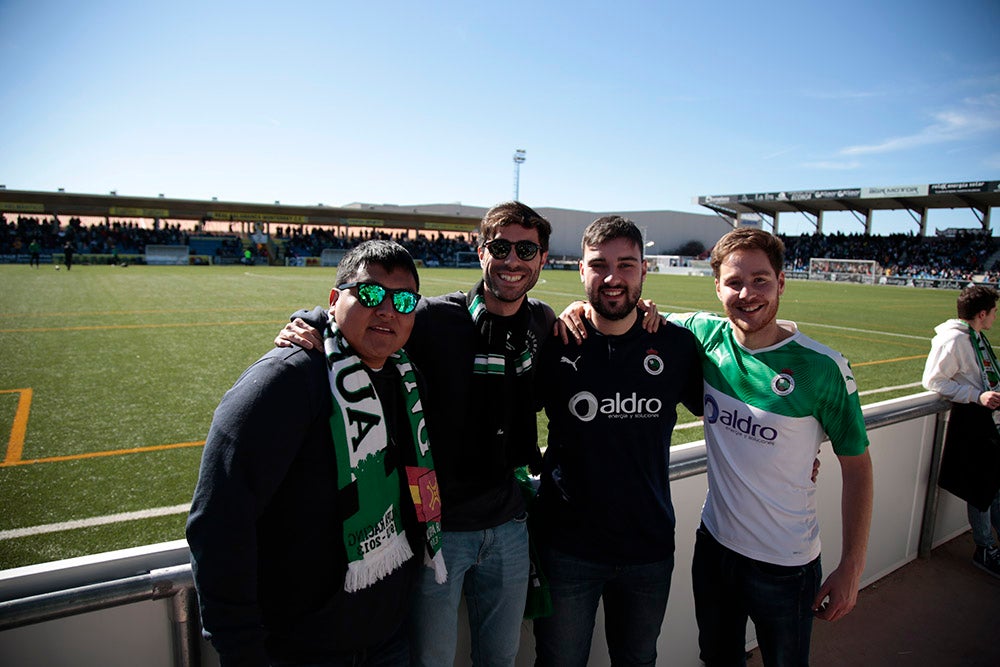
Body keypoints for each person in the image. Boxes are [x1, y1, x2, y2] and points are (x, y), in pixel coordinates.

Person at [561, 227, 873, 667]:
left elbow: (859, 467)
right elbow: (628, 310)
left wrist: (852, 567)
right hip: (715, 551)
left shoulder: (822, 368)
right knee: (718, 660)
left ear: (782, 282)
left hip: (787, 565)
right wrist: (578, 307)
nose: (747, 294)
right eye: (734, 282)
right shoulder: (702, 337)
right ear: (717, 287)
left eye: (761, 280)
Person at [276, 202, 556, 666]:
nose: (513, 260)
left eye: (526, 249)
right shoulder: (434, 318)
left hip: (509, 524)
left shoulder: (544, 323)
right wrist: (308, 319)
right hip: (436, 532)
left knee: (501, 660)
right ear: (481, 251)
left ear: (542, 259)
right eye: (501, 247)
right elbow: (365, 315)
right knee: (432, 661)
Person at [186, 240, 446, 666]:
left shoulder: (406, 378)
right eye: (369, 293)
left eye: (402, 300)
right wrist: (241, 651)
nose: (386, 310)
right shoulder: (285, 380)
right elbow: (218, 522)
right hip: (302, 648)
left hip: (387, 637)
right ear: (332, 299)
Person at [531, 216, 703, 666]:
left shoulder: (677, 346)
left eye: (627, 265)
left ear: (645, 270)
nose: (612, 277)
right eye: (599, 264)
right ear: (581, 271)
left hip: (647, 550)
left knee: (638, 660)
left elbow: (730, 409)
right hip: (568, 550)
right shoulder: (555, 344)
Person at [921, 284, 1000, 578]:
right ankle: (985, 549)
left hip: (989, 422)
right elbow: (933, 381)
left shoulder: (976, 338)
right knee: (981, 490)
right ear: (982, 314)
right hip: (975, 423)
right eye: (994, 312)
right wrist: (976, 396)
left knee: (994, 487)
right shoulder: (953, 340)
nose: (995, 318)